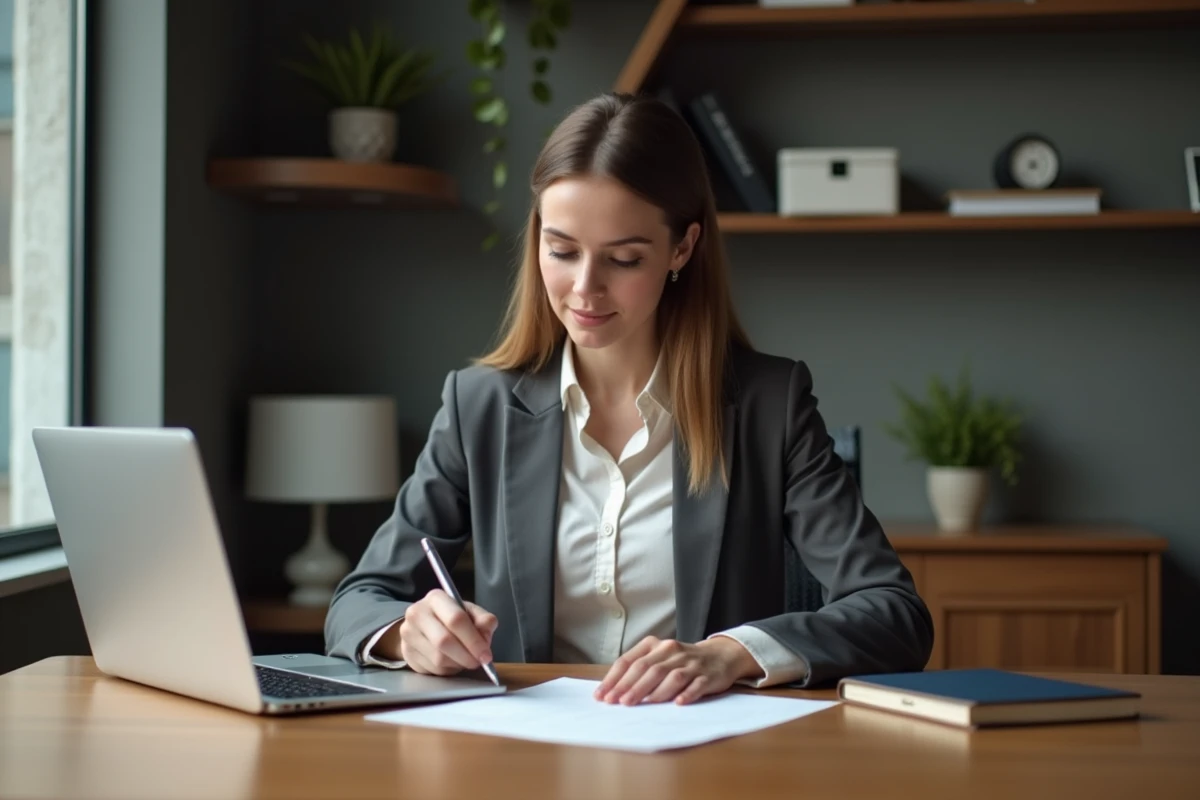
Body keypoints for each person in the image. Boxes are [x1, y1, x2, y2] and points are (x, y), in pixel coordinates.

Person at [326, 92, 933, 706]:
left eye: (623, 258)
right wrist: (408, 634)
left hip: (707, 759)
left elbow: (894, 613)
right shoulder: (477, 406)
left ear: (682, 248)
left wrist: (729, 653)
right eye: (561, 251)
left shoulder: (769, 406)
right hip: (524, 757)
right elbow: (357, 602)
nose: (585, 288)